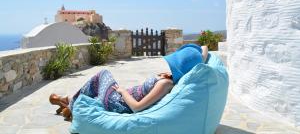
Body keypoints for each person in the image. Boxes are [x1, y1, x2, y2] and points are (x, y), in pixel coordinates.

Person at [49, 44, 208, 121]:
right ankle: (67, 102)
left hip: (119, 102)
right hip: (119, 98)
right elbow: (205, 49)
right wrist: (200, 55)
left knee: (102, 74)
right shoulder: (171, 77)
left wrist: (123, 92)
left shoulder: (165, 84)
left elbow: (137, 108)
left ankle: (69, 104)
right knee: (97, 83)